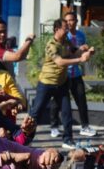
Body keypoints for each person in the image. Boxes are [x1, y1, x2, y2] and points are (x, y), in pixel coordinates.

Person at [29, 19, 94, 150]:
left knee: (67, 112)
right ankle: (25, 138)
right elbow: (59, 62)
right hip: (46, 83)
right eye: (65, 27)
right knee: (36, 113)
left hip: (62, 83)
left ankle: (68, 140)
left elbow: (74, 53)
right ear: (56, 29)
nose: (68, 29)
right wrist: (80, 59)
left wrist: (86, 52)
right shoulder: (51, 45)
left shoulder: (66, 41)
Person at [50, 12, 96, 138]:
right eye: (67, 21)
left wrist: (88, 51)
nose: (69, 23)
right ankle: (54, 127)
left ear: (76, 21)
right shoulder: (63, 36)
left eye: (72, 20)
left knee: (81, 99)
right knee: (57, 101)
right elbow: (68, 52)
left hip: (76, 73)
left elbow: (81, 52)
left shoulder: (81, 34)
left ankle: (85, 126)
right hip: (64, 74)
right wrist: (79, 49)